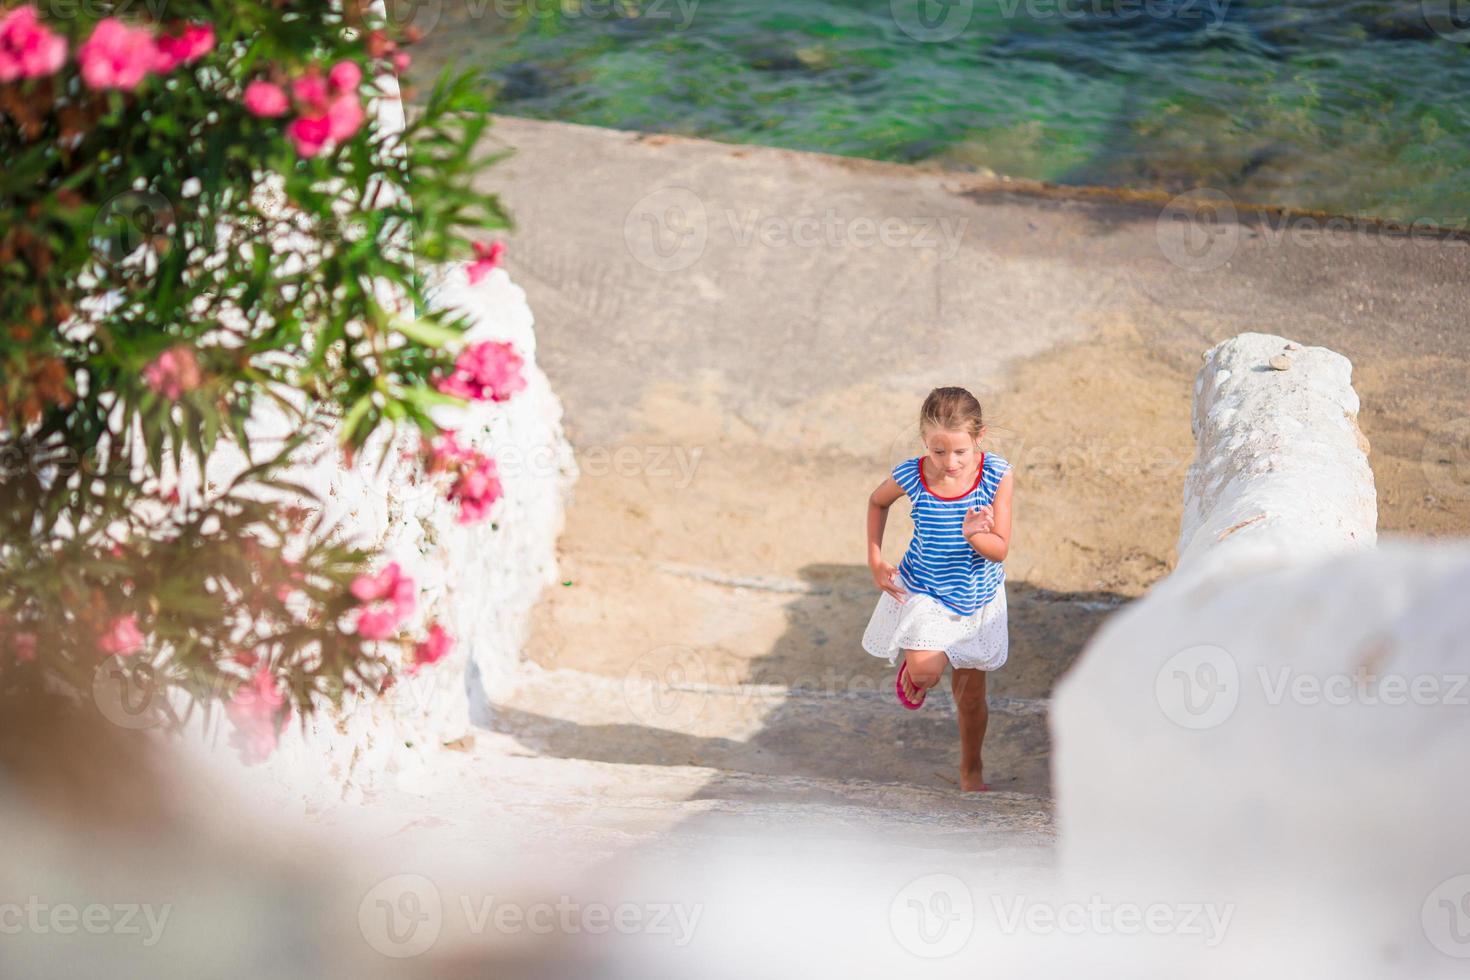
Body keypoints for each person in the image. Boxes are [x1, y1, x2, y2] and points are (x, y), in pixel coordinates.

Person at [862, 386, 1014, 792]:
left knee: (969, 697)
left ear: (978, 438)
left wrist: (973, 536)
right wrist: (876, 560)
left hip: (975, 599)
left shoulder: (997, 474)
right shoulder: (912, 474)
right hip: (926, 591)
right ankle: (921, 662)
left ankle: (971, 769)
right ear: (925, 442)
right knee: (927, 671)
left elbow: (999, 550)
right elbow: (877, 502)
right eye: (938, 451)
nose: (950, 462)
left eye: (960, 452)